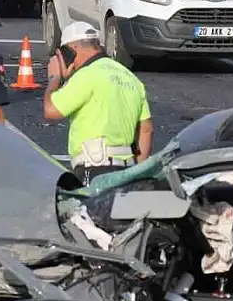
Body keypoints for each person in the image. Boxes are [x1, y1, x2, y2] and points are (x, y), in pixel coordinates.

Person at [43, 22, 154, 185]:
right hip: (127, 171)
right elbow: (146, 130)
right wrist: (135, 172)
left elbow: (51, 110)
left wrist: (55, 78)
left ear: (72, 49)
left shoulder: (86, 75)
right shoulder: (130, 77)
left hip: (94, 168)